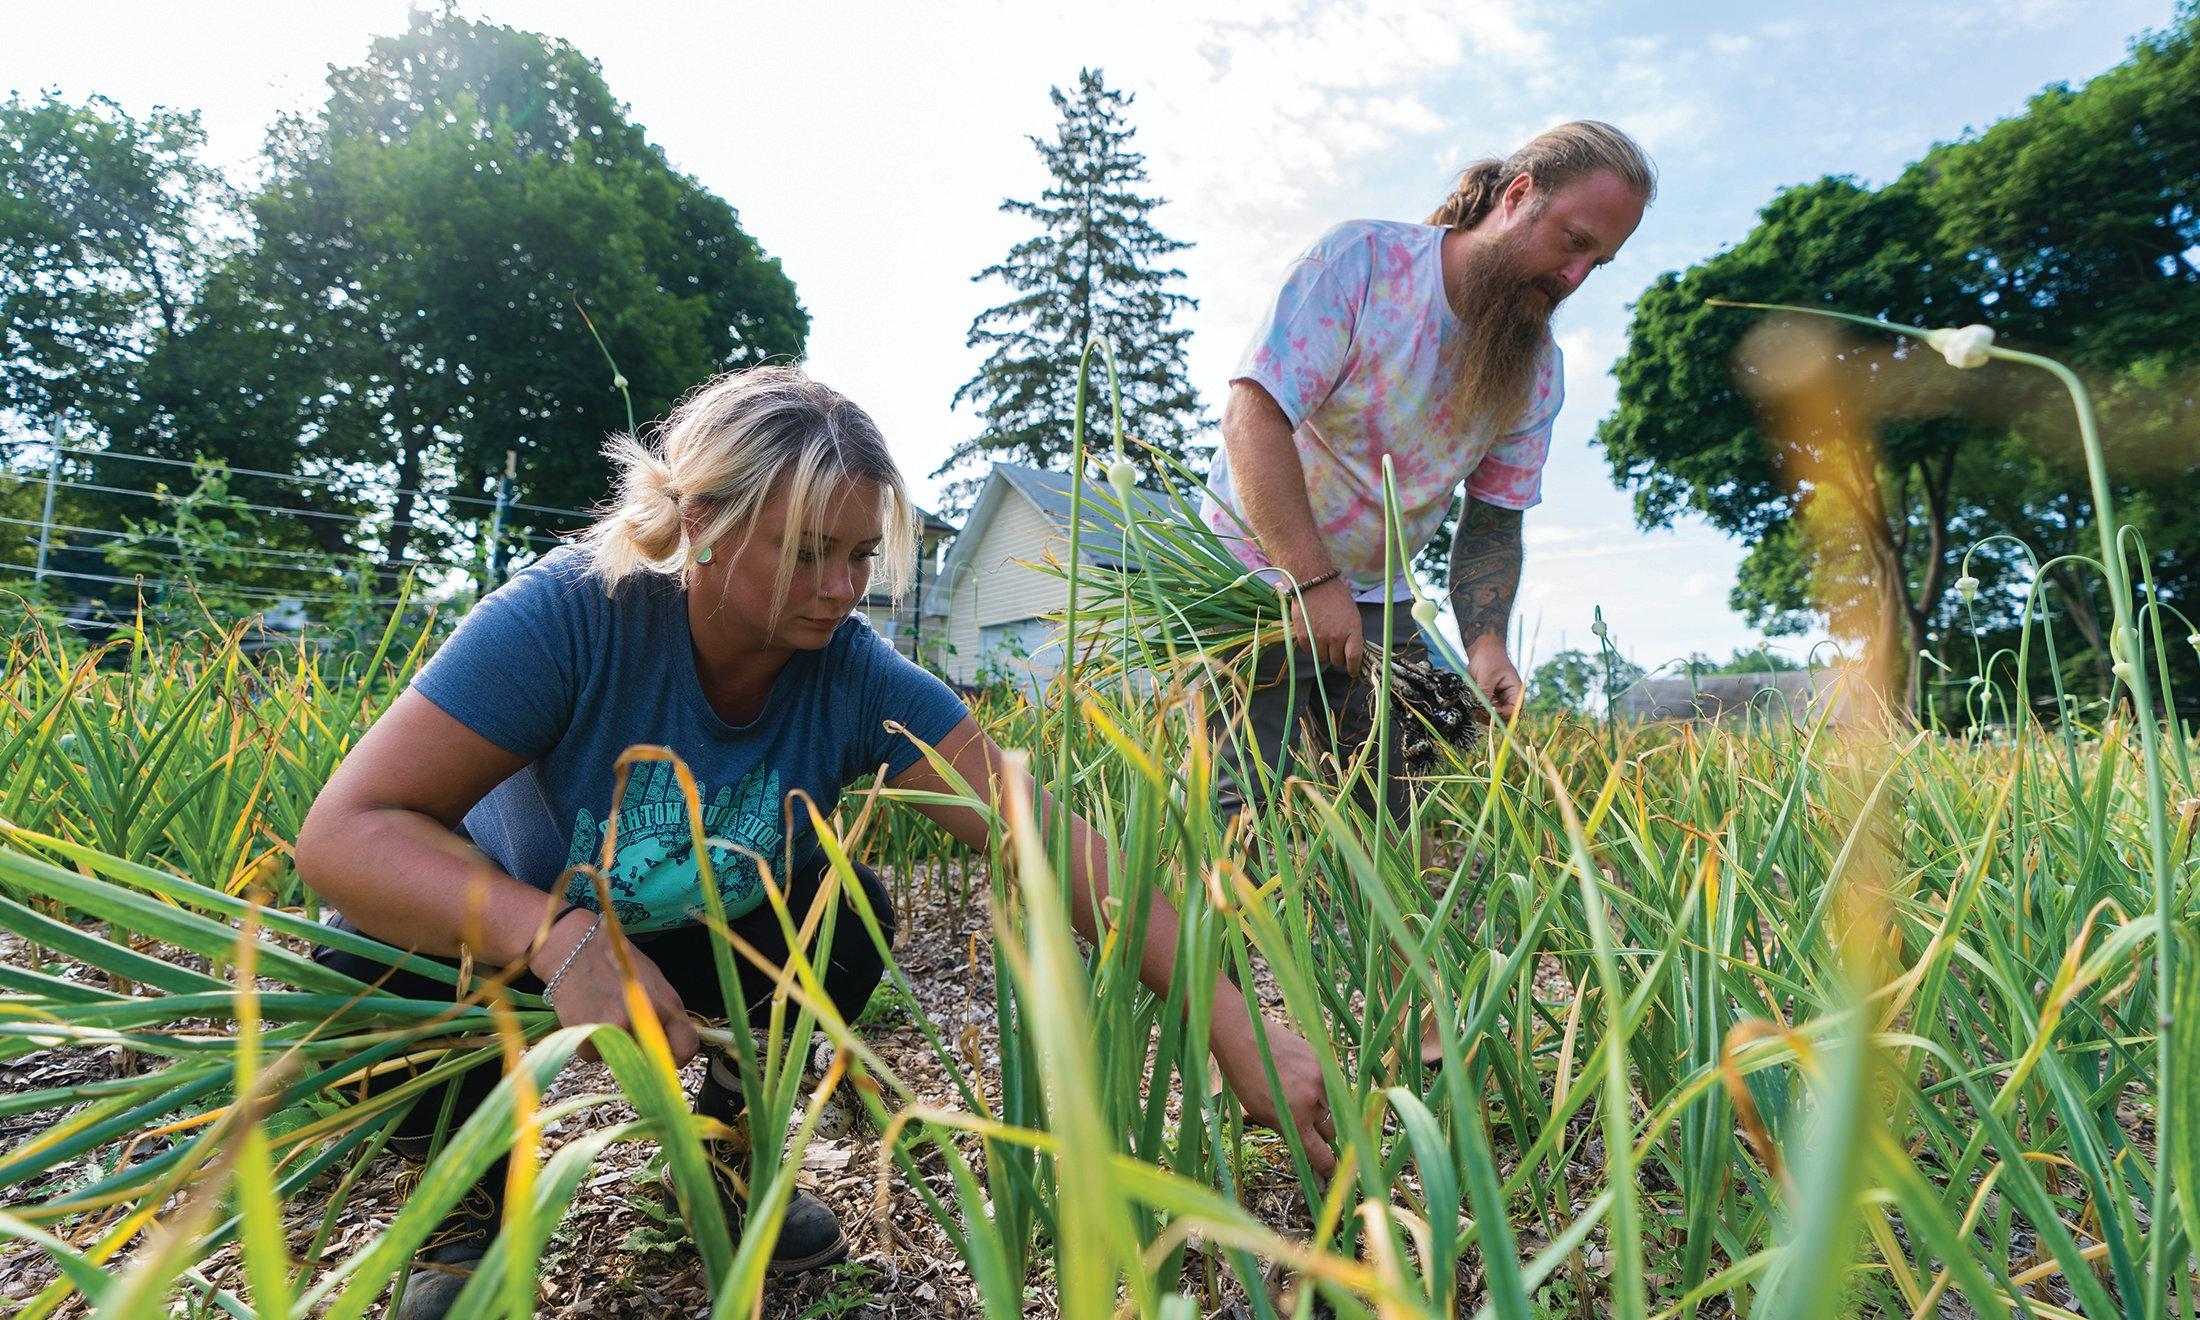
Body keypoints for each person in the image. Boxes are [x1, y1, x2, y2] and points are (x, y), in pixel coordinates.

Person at [293, 367, 1335, 1319]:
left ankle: (728, 1156)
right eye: (806, 554)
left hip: (700, 927)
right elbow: (347, 833)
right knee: (359, 956)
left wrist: (1226, 1015)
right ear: (701, 519)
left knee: (846, 916)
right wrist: (558, 940)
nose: (842, 591)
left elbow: (1040, 832)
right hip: (500, 934)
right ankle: (471, 1205)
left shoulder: (853, 675)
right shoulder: (572, 617)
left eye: (858, 557)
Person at [1203, 120, 1655, 820]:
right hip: (1256, 572)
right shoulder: (1363, 263)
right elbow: (1253, 418)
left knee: (1397, 799)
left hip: (1378, 597)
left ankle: (1367, 933)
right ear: (1519, 195)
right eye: (1573, 241)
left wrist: (1486, 642)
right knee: (1249, 806)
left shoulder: (1535, 370)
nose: (1574, 277)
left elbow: (1493, 521)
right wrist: (1310, 578)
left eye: (1598, 262)